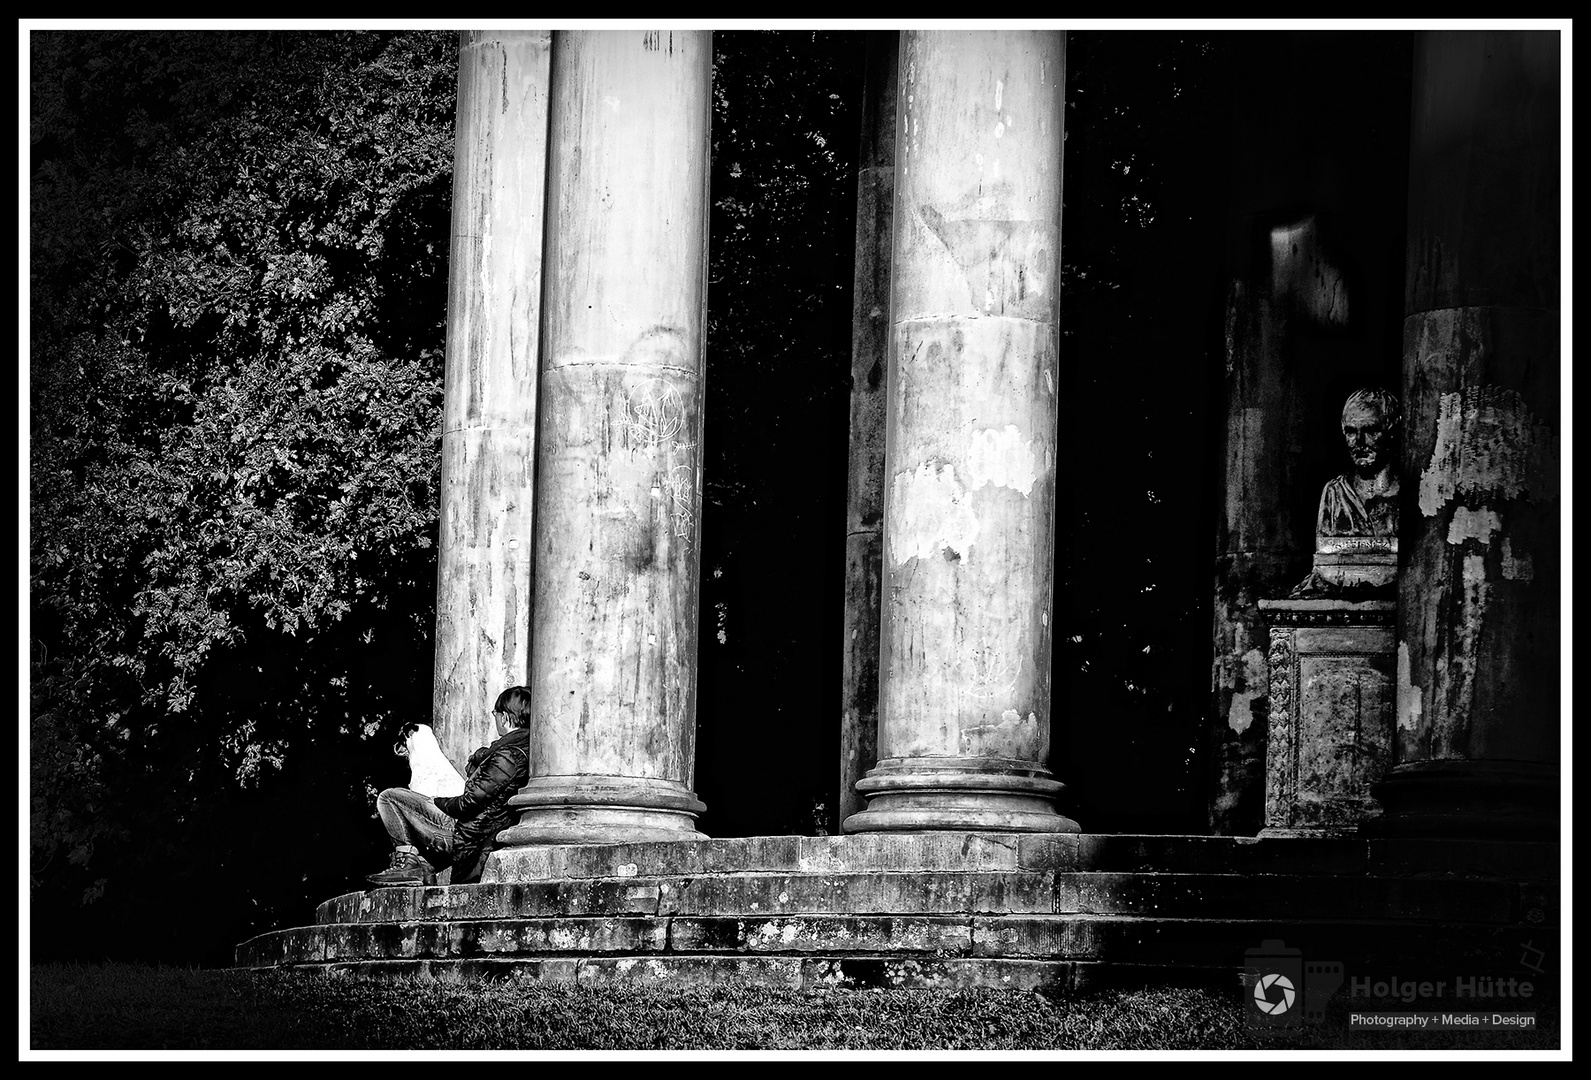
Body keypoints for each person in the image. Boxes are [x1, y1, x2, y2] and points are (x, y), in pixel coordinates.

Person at [365, 685, 533, 888]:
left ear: (505, 717)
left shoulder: (508, 756)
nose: (495, 718)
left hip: (470, 833)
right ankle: (420, 864)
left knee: (390, 798)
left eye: (495, 714)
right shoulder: (523, 750)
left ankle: (408, 862)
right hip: (479, 829)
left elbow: (468, 804)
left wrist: (435, 801)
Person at [1290, 387, 1400, 598]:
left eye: (1370, 430)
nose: (1359, 441)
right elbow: (1325, 563)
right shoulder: (1334, 493)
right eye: (1351, 431)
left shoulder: (1407, 496)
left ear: (1392, 430)